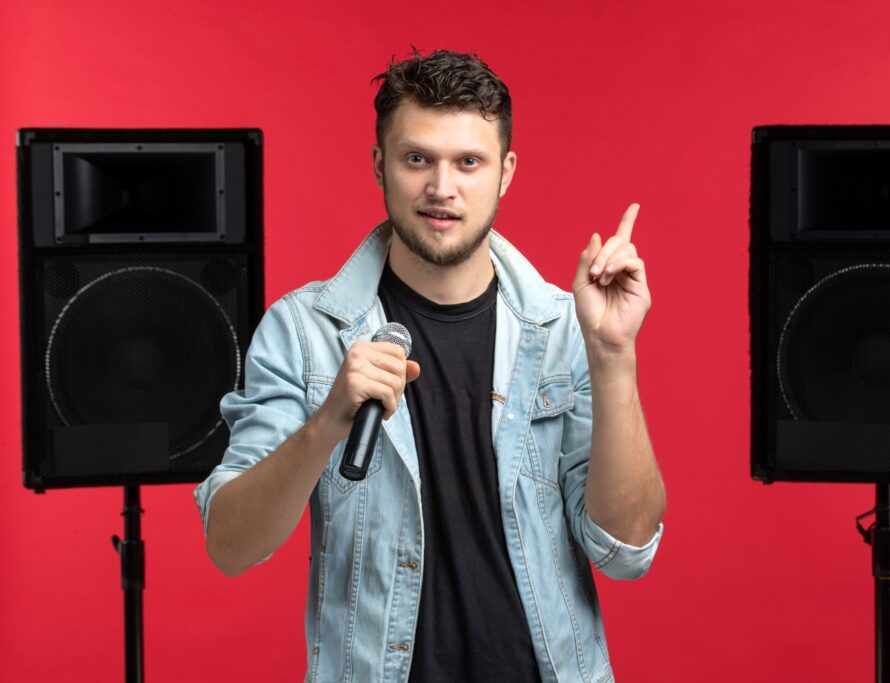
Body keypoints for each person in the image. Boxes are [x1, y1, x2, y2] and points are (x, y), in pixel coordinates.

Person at [194, 49, 666, 682]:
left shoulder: (563, 330)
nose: (441, 188)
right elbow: (231, 545)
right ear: (379, 165)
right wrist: (325, 424)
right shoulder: (304, 332)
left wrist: (613, 357)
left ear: (505, 173)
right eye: (417, 159)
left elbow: (627, 550)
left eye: (468, 162)